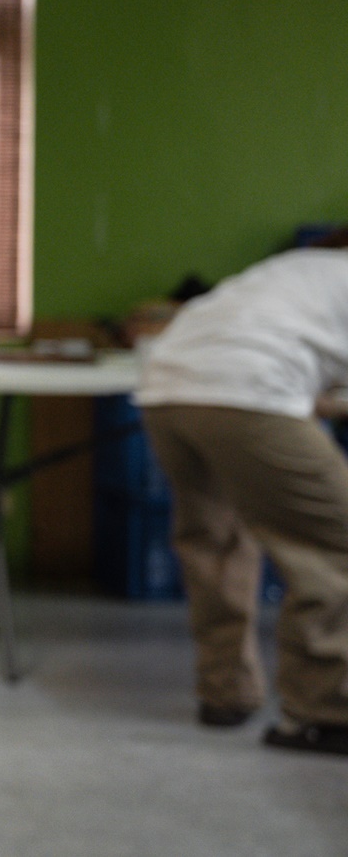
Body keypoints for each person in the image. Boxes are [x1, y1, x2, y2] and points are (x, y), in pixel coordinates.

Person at [136, 240, 348, 755]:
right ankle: (323, 714)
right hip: (248, 391)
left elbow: (301, 374)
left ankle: (225, 693)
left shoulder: (300, 269)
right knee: (333, 541)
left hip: (166, 389)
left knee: (217, 542)